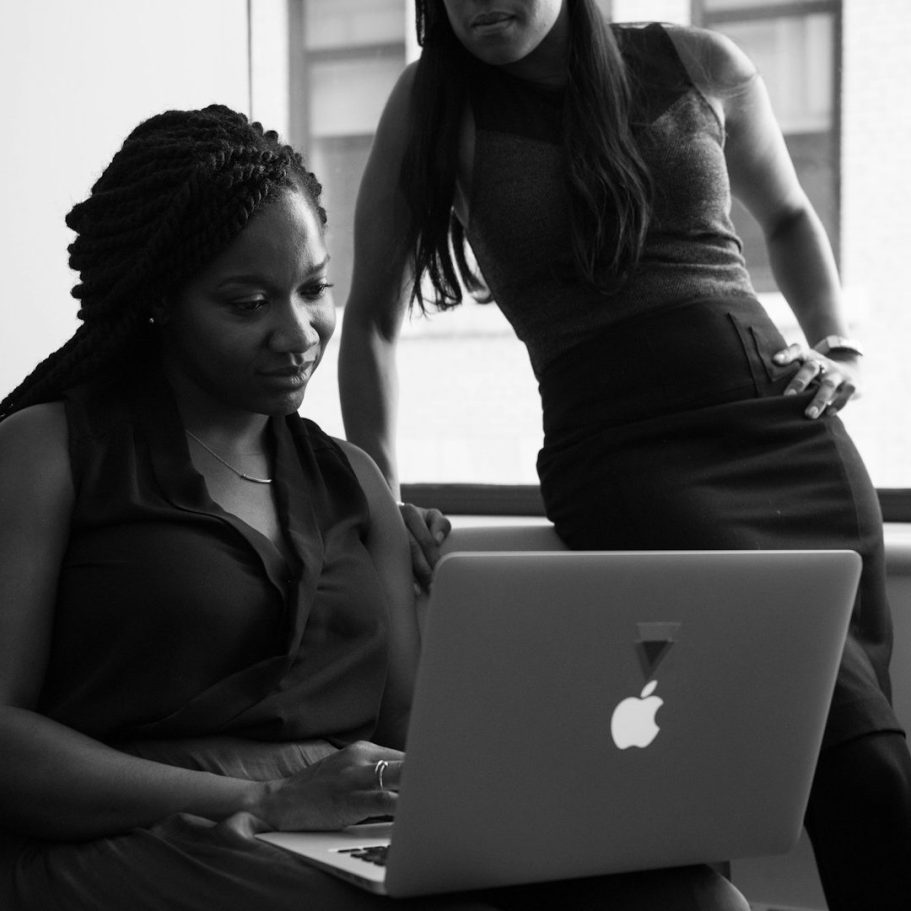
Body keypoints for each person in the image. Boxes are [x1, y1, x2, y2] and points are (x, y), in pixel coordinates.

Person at [0, 104, 749, 911]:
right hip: (138, 833)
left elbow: (406, 731)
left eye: (314, 288)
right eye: (247, 303)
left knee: (690, 894)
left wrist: (544, 793)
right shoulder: (50, 450)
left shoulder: (353, 481)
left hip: (339, 827)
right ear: (159, 302)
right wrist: (260, 801)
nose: (299, 332)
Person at [337, 3, 911, 909]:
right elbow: (368, 319)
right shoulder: (434, 102)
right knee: (700, 785)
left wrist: (836, 347)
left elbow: (791, 214)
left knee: (868, 771)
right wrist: (380, 505)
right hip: (625, 461)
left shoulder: (696, 61)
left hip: (785, 435)